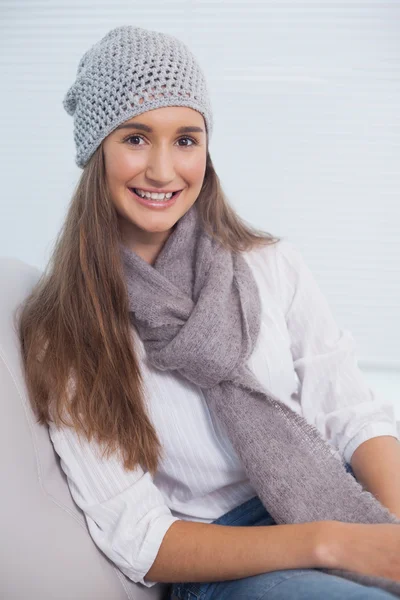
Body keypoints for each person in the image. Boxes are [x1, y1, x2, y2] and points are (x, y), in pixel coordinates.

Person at [17, 25, 400, 600]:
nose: (164, 171)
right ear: (97, 150)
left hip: (335, 495)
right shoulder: (69, 332)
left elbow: (352, 414)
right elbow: (141, 538)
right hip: (226, 559)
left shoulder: (272, 265)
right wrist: (327, 542)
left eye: (187, 139)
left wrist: (389, 531)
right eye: (137, 138)